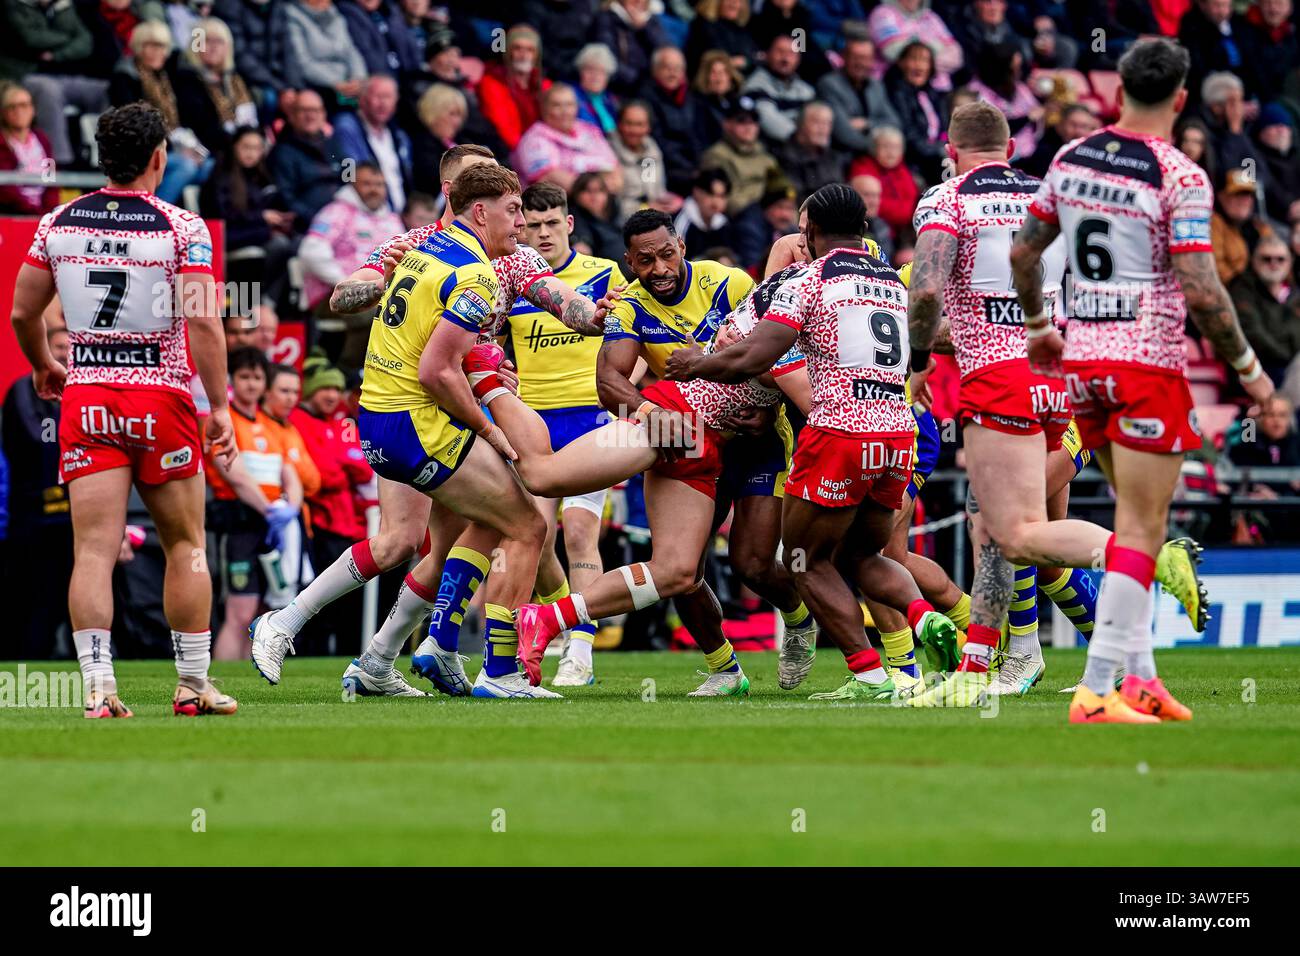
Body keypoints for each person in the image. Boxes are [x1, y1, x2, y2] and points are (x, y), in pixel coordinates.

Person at [253, 146, 609, 698]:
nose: (521, 221)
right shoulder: (414, 247)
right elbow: (350, 301)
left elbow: (564, 303)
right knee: (464, 531)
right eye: (509, 207)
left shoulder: (501, 256)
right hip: (432, 412)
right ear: (460, 197)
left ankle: (389, 656)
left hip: (410, 409)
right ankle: (483, 664)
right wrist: (381, 279)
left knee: (448, 538)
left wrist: (604, 314)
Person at [1010, 38, 1273, 723]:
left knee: (1137, 526)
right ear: (1182, 99)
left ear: (1118, 90)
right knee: (1141, 528)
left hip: (1082, 366)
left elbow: (1024, 249)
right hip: (1145, 366)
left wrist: (1039, 325)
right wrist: (1251, 373)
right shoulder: (1179, 175)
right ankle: (1098, 692)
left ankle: (1143, 680)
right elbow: (1201, 286)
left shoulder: (1070, 158)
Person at [662, 185, 961, 700]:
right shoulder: (891, 281)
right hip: (897, 436)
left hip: (839, 434)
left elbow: (757, 355)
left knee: (802, 560)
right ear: (864, 230)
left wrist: (698, 363)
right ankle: (924, 617)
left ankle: (868, 674)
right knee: (861, 556)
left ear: (810, 231)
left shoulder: (808, 279)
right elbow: (919, 351)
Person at [9, 102, 238, 717]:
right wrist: (218, 405)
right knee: (186, 543)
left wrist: (43, 364)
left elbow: (22, 314)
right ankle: (192, 685)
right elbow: (202, 321)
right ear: (159, 157)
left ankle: (98, 689)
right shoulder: (181, 228)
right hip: (159, 395)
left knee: (93, 550)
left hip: (87, 395)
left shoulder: (56, 223)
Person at [499, 182, 620, 685]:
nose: (543, 233)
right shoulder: (514, 282)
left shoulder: (602, 274)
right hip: (533, 423)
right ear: (520, 226)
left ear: (569, 224)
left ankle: (581, 655)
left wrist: (620, 402)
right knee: (535, 538)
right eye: (533, 224)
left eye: (553, 223)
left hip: (590, 418)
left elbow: (626, 345)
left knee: (579, 532)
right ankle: (562, 624)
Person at [205, 347, 304, 660]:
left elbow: (291, 473)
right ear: (233, 379)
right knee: (240, 611)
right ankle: (222, 679)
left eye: (257, 377)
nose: (251, 384)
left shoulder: (273, 426)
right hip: (240, 525)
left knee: (265, 611)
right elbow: (234, 475)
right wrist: (270, 509)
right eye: (244, 376)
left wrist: (290, 510)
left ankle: (248, 680)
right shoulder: (223, 421)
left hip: (272, 528)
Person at [289, 355, 374, 653]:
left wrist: (342, 469)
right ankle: (310, 654)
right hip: (321, 525)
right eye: (325, 389)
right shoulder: (299, 420)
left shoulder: (339, 423)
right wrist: (342, 471)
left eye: (336, 390)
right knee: (319, 600)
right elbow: (325, 474)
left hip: (348, 525)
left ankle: (342, 655)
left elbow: (360, 467)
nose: (332, 395)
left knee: (348, 603)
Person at [2, 318, 73, 659]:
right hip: (33, 519)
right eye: (59, 348)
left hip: (74, 518)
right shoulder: (23, 390)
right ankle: (27, 664)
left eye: (71, 350)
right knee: (31, 597)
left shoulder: (81, 393)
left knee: (68, 596)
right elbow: (38, 442)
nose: (65, 355)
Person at [299, 160, 405, 365]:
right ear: (353, 184)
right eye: (367, 184)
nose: (374, 190)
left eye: (379, 184)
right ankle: (351, 370)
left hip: (383, 291)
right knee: (380, 313)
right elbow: (311, 251)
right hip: (333, 294)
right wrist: (347, 282)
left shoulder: (392, 220)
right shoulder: (337, 212)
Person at [512, 83, 621, 191]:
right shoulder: (534, 138)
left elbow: (614, 165)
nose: (565, 111)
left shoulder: (589, 130)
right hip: (559, 203)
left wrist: (611, 186)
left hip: (601, 197)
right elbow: (550, 177)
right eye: (557, 105)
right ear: (544, 109)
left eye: (569, 105)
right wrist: (595, 191)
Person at [332, 75, 413, 212]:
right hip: (364, 213)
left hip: (398, 219)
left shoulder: (398, 136)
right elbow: (348, 174)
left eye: (388, 97)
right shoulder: (347, 127)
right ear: (362, 99)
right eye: (378, 96)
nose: (383, 103)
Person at [267, 89, 344, 231]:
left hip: (344, 220)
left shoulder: (336, 145)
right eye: (304, 110)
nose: (310, 115)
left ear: (324, 115)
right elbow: (287, 198)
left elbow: (350, 178)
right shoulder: (283, 152)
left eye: (315, 110)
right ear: (292, 116)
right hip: (310, 227)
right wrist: (318, 220)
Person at [815, 36, 903, 158]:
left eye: (866, 58)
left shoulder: (876, 86)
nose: (860, 63)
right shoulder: (829, 85)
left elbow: (894, 123)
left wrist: (867, 123)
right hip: (844, 158)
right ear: (844, 57)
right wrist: (881, 147)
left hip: (878, 156)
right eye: (855, 57)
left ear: (873, 61)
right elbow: (843, 134)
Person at [1231, 235, 1300, 383]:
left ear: (1290, 262)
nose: (1274, 264)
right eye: (1266, 259)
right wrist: (1289, 358)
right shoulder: (1242, 289)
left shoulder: (1295, 294)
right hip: (1258, 369)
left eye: (1280, 259)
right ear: (1254, 261)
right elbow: (1253, 335)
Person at [283, 0, 367, 110]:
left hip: (349, 84)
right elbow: (303, 63)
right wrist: (336, 83)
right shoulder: (291, 15)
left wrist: (358, 78)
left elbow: (351, 51)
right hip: (320, 87)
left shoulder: (334, 11)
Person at [644, 46, 705, 197]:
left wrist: (698, 165)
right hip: (662, 167)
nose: (673, 73)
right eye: (667, 68)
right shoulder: (646, 97)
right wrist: (689, 168)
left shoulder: (690, 97)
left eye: (677, 69)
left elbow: (697, 135)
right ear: (655, 70)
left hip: (689, 166)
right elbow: (657, 140)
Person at [476, 23, 548, 151]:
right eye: (517, 48)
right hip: (510, 152)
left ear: (536, 55)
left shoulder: (545, 85)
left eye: (530, 50)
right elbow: (504, 131)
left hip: (544, 150)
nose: (523, 55)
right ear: (508, 52)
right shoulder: (492, 84)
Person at [866, 0, 964, 91]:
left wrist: (918, 47)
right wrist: (936, 46)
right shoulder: (882, 13)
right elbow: (893, 52)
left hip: (938, 90)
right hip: (895, 89)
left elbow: (956, 57)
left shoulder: (930, 16)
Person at [848, 125, 917, 243]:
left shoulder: (902, 170)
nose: (891, 152)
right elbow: (871, 206)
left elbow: (912, 204)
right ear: (874, 148)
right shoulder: (863, 167)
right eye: (885, 146)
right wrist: (902, 210)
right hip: (872, 230)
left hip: (902, 233)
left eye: (896, 147)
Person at [741, 33, 815, 142]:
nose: (785, 58)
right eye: (780, 52)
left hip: (802, 147)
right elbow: (768, 120)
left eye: (791, 53)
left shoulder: (806, 90)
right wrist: (802, 137)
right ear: (767, 54)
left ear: (798, 59)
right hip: (771, 148)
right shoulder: (755, 85)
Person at [0, 81, 59, 215]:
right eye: (12, 107)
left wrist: (49, 213)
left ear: (33, 110)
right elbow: (6, 191)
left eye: (24, 105)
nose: (19, 111)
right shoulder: (2, 142)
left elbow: (51, 179)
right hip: (12, 213)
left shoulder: (42, 140)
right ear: (3, 113)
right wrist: (35, 213)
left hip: (43, 213)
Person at [771, 102, 847, 205]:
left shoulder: (832, 157)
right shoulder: (784, 156)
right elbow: (797, 200)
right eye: (816, 122)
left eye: (827, 123)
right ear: (800, 124)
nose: (822, 129)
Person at [592, 0, 673, 97]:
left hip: (650, 88)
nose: (638, 1)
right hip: (621, 89)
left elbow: (667, 53)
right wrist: (640, 82)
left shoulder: (651, 21)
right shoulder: (606, 19)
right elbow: (607, 58)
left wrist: (644, 28)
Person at [610, 100, 675, 219]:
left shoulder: (651, 149)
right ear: (619, 124)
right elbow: (612, 204)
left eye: (640, 124)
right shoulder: (608, 151)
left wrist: (669, 202)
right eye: (629, 123)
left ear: (648, 127)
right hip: (623, 221)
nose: (634, 130)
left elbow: (657, 190)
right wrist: (645, 208)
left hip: (654, 216)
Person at [1211, 168, 1275, 287]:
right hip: (1233, 292)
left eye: (1248, 194)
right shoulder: (1213, 224)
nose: (1244, 200)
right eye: (1237, 194)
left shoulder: (1259, 226)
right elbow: (1216, 270)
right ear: (1221, 196)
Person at [409, 83, 467, 197]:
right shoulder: (422, 145)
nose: (457, 122)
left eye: (460, 115)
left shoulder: (461, 142)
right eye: (452, 114)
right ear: (434, 113)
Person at [337, 0, 422, 79]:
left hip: (407, 79)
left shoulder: (390, 10)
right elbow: (370, 60)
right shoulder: (349, 14)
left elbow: (410, 47)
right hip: (380, 83)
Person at [1018, 103, 1100, 179]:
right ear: (1060, 126)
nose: (1078, 131)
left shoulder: (1097, 156)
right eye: (1073, 124)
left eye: (1084, 126)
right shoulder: (1044, 153)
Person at [674, 168, 738, 259]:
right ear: (696, 191)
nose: (716, 203)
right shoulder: (682, 223)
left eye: (722, 196)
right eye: (710, 194)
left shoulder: (723, 224)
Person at [684, 0, 757, 75]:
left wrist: (746, 62)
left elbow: (754, 58)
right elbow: (715, 57)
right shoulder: (703, 25)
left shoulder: (742, 30)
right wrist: (733, 62)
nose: (734, 2)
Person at [568, 171, 624, 260]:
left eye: (599, 191)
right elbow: (582, 242)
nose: (594, 196)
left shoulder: (616, 214)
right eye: (587, 191)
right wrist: (581, 244)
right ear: (576, 194)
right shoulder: (574, 217)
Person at [572, 42, 619, 135]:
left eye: (601, 71)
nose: (595, 76)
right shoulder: (572, 96)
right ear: (581, 72)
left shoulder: (610, 99)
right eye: (590, 69)